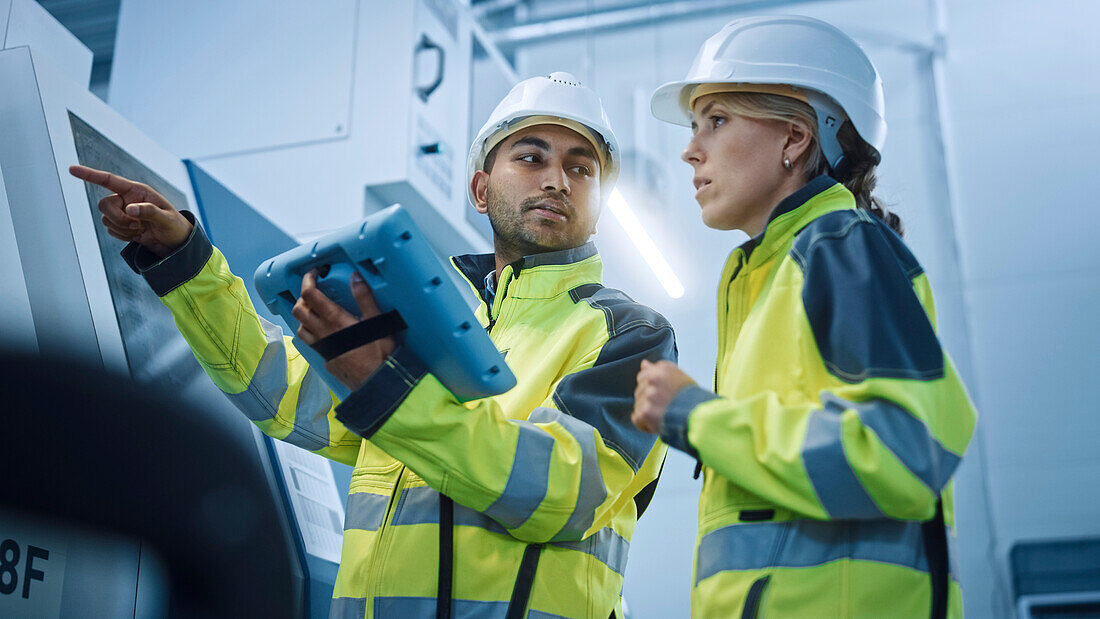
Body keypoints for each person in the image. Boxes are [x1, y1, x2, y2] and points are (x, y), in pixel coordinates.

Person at [71, 72, 676, 619]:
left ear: (597, 205)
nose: (556, 180)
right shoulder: (438, 317)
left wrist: (387, 388)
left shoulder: (630, 335)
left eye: (581, 168)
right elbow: (281, 394)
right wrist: (184, 260)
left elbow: (558, 491)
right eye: (531, 156)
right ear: (481, 189)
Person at [631, 16, 977, 618]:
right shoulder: (767, 275)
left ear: (794, 139)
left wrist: (699, 418)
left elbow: (901, 451)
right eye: (694, 126)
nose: (690, 149)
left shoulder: (839, 247)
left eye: (716, 120)